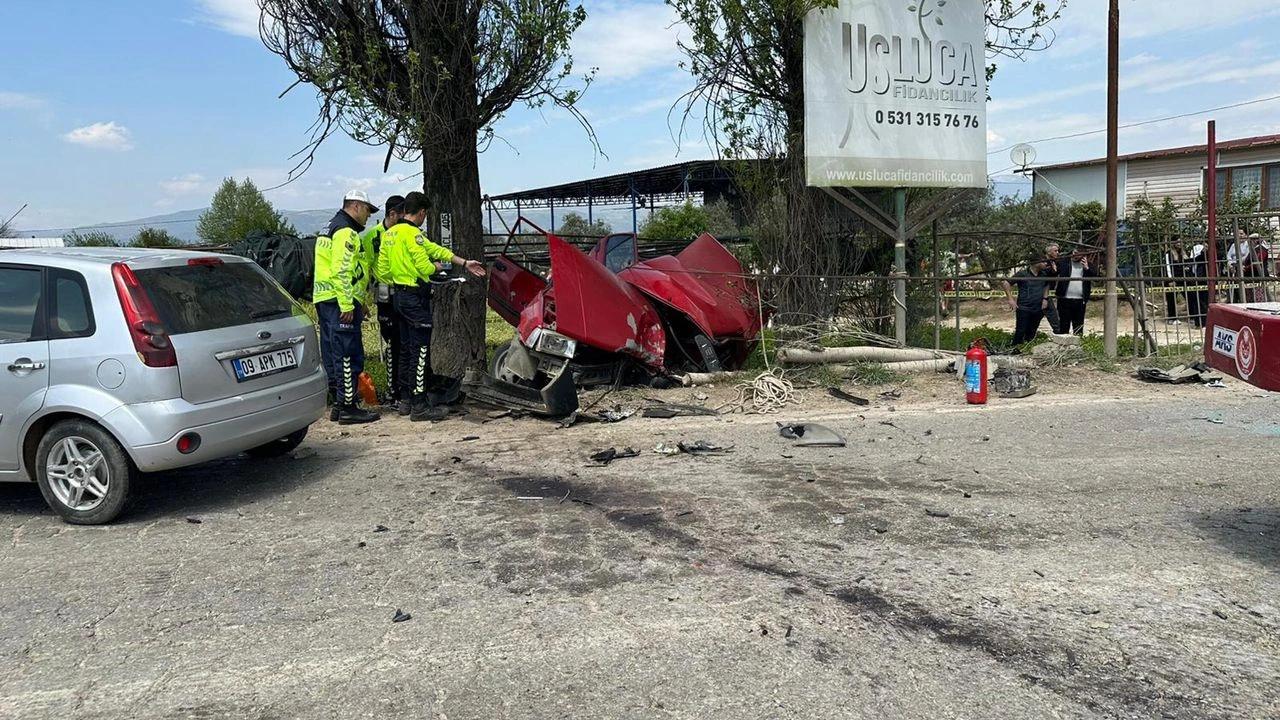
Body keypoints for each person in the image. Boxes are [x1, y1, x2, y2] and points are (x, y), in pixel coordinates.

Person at [376, 191, 486, 422]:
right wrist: (435, 268)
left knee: (405, 349)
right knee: (421, 351)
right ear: (422, 212)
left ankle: (405, 399)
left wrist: (463, 262)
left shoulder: (391, 234)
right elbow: (424, 264)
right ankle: (420, 405)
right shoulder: (412, 234)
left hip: (398, 297)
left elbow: (385, 268)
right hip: (415, 297)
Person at [314, 190, 382, 425]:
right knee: (348, 353)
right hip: (339, 301)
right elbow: (342, 270)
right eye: (367, 211)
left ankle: (338, 405)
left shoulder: (329, 227)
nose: (368, 217)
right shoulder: (345, 232)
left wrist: (359, 302)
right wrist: (347, 303)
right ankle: (348, 406)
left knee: (333, 353)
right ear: (355, 206)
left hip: (325, 299)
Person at [362, 195, 406, 408]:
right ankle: (393, 390)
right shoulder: (373, 236)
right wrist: (362, 299)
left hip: (405, 292)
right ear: (392, 214)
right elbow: (365, 268)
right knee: (392, 343)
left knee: (405, 342)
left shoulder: (404, 233)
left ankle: (405, 388)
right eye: (401, 215)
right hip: (384, 293)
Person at [1002, 253, 1051, 347]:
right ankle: (1015, 349)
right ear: (1037, 262)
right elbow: (1006, 283)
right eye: (1044, 262)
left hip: (1038, 308)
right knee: (1020, 331)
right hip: (1024, 308)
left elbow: (1047, 284)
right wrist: (1010, 299)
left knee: (1032, 331)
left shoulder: (1044, 274)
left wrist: (1045, 298)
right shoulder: (1022, 274)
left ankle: (1027, 349)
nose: (1046, 264)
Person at [1055, 250, 1097, 335]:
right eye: (1074, 253)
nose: (1076, 255)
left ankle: (1077, 346)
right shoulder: (1064, 262)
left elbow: (1096, 278)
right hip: (1064, 299)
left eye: (1079, 254)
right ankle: (1063, 346)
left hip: (1080, 300)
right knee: (1064, 326)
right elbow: (1054, 272)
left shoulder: (1088, 264)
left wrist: (1087, 268)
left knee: (1078, 327)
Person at [1186, 240, 1209, 328]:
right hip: (1200, 279)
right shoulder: (1203, 255)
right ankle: (1199, 322)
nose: (1204, 248)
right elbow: (1194, 260)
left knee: (1203, 302)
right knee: (1199, 301)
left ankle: (1202, 322)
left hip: (1204, 279)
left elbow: (1194, 260)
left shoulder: (1207, 255)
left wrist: (1183, 261)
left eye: (1206, 246)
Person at [1225, 229, 1251, 303]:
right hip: (1232, 268)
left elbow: (1246, 256)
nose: (1240, 235)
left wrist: (1237, 264)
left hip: (1242, 267)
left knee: (1242, 288)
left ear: (1245, 235)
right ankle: (1232, 300)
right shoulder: (1234, 245)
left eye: (1241, 233)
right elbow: (1228, 256)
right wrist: (1230, 264)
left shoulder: (1248, 245)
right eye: (1238, 234)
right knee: (1232, 287)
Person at [1043, 242, 1063, 333]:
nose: (1057, 252)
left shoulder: (1055, 262)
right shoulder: (1042, 262)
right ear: (1049, 252)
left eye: (1058, 251)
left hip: (1050, 292)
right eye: (1055, 251)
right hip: (1042, 293)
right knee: (1055, 320)